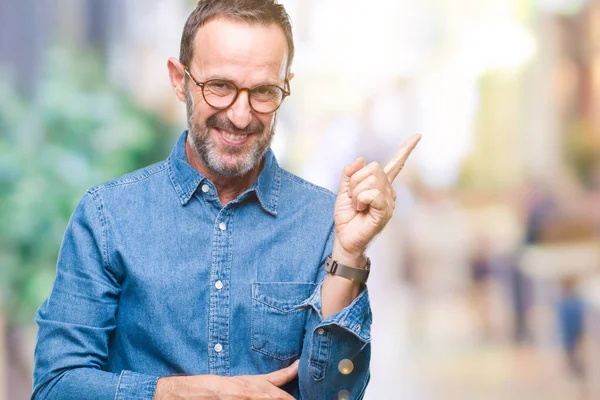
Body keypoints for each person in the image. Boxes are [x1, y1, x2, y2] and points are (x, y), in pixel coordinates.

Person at [31, 1, 420, 399]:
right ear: (179, 80)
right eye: (219, 86)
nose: (240, 115)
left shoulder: (326, 222)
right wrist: (177, 393)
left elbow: (332, 395)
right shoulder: (106, 216)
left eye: (264, 91)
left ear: (284, 87)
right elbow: (56, 385)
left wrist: (350, 253)